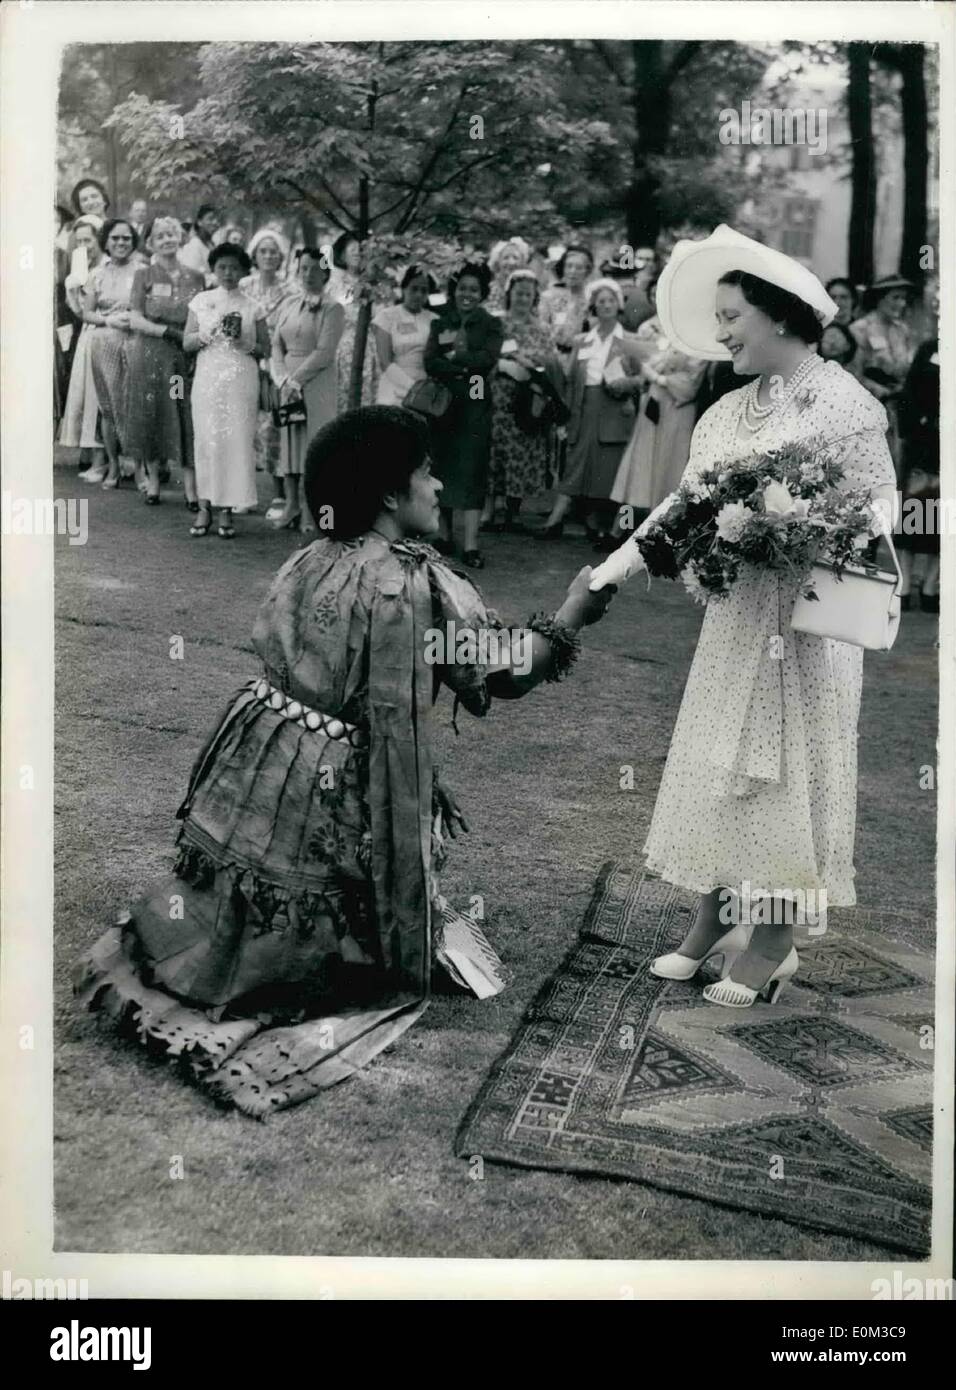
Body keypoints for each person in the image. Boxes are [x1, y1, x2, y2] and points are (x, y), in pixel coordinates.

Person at [74, 406, 614, 1117]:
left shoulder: (311, 554)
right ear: (391, 494)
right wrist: (573, 610)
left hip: (261, 755)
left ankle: (232, 953)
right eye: (426, 471)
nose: (439, 483)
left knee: (242, 902)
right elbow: (506, 669)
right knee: (325, 947)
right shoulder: (421, 586)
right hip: (337, 784)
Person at [590, 225, 897, 1008]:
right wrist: (611, 572)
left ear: (782, 316)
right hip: (737, 621)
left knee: (785, 772)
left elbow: (880, 505)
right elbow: (680, 507)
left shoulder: (844, 403)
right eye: (719, 318)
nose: (721, 332)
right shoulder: (727, 413)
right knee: (723, 764)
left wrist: (802, 528)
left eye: (733, 317)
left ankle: (773, 941)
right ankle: (713, 917)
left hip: (808, 626)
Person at [539, 277, 643, 545]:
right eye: (600, 302)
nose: (606, 305)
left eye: (610, 301)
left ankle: (595, 522)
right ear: (594, 307)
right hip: (583, 406)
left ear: (618, 305)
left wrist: (625, 385)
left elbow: (643, 379)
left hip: (615, 408)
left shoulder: (630, 340)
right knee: (576, 463)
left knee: (606, 466)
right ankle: (557, 518)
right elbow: (571, 378)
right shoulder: (582, 341)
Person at [609, 273, 708, 538]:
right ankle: (623, 528)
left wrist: (661, 375)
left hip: (677, 406)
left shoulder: (699, 336)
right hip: (652, 400)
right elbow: (640, 360)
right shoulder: (654, 327)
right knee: (641, 462)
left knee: (669, 463)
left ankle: (662, 532)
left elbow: (692, 381)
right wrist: (649, 369)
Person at [184, 244, 270, 540]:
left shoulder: (252, 305)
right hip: (208, 376)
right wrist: (207, 335)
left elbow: (265, 348)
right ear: (214, 269)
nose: (229, 273)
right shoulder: (201, 300)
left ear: (244, 270)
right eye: (222, 267)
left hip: (240, 377)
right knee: (207, 439)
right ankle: (204, 506)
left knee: (234, 441)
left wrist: (243, 342)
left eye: (234, 267)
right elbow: (187, 342)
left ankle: (226, 509)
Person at [423, 260, 505, 568]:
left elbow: (487, 360)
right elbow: (430, 361)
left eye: (473, 289)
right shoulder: (440, 322)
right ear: (454, 291)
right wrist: (464, 365)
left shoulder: (491, 324)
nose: (466, 294)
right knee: (441, 467)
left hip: (475, 402)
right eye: (462, 288)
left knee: (472, 469)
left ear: (482, 293)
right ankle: (444, 535)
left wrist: (457, 358)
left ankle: (471, 545)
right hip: (443, 405)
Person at [125, 216, 205, 506]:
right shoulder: (143, 276)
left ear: (181, 237)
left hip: (181, 357)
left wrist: (191, 342)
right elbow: (134, 317)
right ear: (150, 244)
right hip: (150, 354)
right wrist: (166, 331)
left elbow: (203, 315)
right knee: (152, 411)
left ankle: (190, 488)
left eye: (172, 234)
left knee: (182, 413)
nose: (167, 240)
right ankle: (154, 482)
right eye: (160, 236)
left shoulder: (196, 277)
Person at [270, 246, 345, 532]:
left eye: (316, 269)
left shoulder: (333, 308)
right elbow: (277, 343)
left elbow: (325, 351)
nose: (309, 274)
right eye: (303, 268)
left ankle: (313, 512)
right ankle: (291, 506)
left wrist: (296, 380)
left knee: (315, 446)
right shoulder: (289, 303)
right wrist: (282, 378)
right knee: (290, 445)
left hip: (316, 385)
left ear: (326, 272)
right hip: (288, 383)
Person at [486, 268, 561, 532]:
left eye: (528, 294)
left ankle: (513, 512)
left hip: (530, 399)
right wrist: (506, 363)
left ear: (535, 297)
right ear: (509, 294)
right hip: (499, 395)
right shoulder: (496, 322)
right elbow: (485, 355)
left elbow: (553, 361)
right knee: (494, 450)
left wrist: (535, 362)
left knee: (522, 451)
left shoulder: (542, 328)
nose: (522, 299)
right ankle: (488, 511)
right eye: (518, 293)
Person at [241, 227, 295, 521]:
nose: (269, 256)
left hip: (279, 363)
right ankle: (243, 492)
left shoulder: (291, 290)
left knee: (274, 426)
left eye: (274, 252)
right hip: (248, 359)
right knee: (245, 426)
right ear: (254, 255)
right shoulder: (243, 285)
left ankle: (278, 492)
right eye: (263, 251)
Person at [82, 218, 140, 488]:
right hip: (104, 341)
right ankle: (114, 466)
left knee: (134, 404)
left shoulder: (143, 270)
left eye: (126, 238)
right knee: (108, 408)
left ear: (133, 241)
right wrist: (108, 321)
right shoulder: (97, 273)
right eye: (115, 238)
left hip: (136, 340)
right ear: (106, 241)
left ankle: (140, 468)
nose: (120, 243)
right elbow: (87, 312)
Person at [896, 287, 940, 613]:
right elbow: (908, 393)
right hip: (924, 443)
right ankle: (905, 584)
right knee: (915, 512)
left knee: (945, 517)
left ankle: (930, 586)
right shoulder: (929, 349)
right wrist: (920, 424)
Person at [850, 275, 917, 480]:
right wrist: (881, 392)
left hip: (899, 408)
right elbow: (853, 373)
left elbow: (907, 367)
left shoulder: (902, 330)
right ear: (879, 298)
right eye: (895, 297)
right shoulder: (860, 328)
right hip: (871, 406)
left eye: (904, 298)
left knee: (898, 465)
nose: (901, 303)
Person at [58, 215, 106, 479]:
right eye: (80, 241)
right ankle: (95, 457)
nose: (85, 245)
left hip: (109, 330)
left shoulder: (108, 266)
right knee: (89, 397)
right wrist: (73, 292)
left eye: (89, 239)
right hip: (89, 335)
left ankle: (109, 460)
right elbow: (79, 313)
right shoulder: (80, 271)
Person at [371, 264, 437, 406]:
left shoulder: (435, 320)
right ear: (404, 288)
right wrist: (412, 387)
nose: (418, 294)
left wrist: (425, 390)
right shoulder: (387, 316)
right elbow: (385, 362)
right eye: (414, 289)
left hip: (426, 386)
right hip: (394, 384)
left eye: (424, 291)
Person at [329, 232, 378, 410]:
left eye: (364, 250)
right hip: (344, 346)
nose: (359, 254)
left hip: (370, 347)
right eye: (354, 250)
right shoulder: (335, 282)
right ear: (342, 254)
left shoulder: (375, 283)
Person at [538, 244, 594, 361]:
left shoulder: (591, 298)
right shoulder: (549, 297)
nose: (573, 271)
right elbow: (541, 326)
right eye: (569, 266)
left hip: (583, 357)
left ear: (587, 271)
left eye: (579, 268)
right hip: (553, 355)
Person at [485, 236, 533, 312]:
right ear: (498, 262)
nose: (511, 262)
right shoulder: (489, 290)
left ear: (522, 262)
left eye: (515, 258)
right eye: (506, 258)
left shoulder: (529, 290)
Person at [178, 203, 220, 282]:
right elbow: (192, 275)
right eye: (210, 219)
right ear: (199, 222)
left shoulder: (213, 244)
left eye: (218, 219)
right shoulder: (194, 245)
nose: (215, 222)